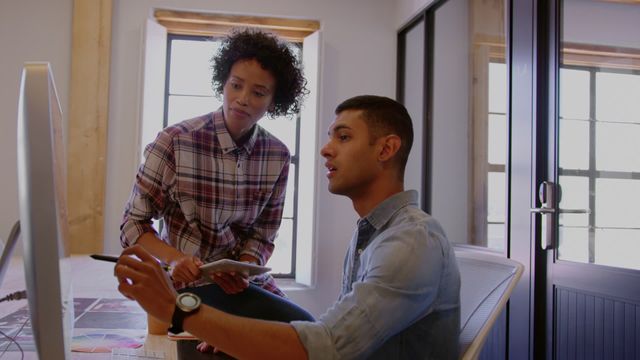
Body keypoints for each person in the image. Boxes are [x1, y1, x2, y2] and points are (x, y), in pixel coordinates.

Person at [116, 95, 461, 359]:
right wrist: (238, 338)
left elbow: (325, 348)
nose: (326, 150)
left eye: (343, 137)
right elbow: (334, 334)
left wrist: (178, 310)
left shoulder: (410, 242)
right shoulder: (372, 232)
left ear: (386, 148)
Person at [119, 27, 313, 334]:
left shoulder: (277, 155)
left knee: (306, 333)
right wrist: (176, 259)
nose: (242, 99)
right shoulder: (175, 141)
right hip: (182, 285)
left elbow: (263, 234)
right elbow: (134, 225)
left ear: (274, 102)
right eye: (235, 85)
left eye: (258, 93)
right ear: (223, 82)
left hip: (241, 286)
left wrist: (245, 267)